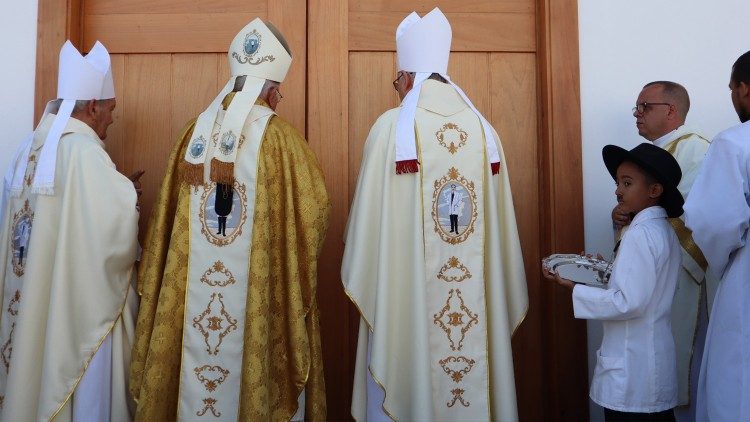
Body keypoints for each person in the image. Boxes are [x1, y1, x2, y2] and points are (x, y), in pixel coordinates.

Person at [129, 18, 330, 421]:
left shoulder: (192, 138)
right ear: (272, 91)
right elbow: (315, 215)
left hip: (191, 311)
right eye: (279, 93)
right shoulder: (284, 143)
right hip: (257, 310)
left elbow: (161, 229)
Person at [342, 8, 527, 421]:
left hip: (405, 304)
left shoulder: (392, 129)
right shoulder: (485, 134)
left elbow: (365, 232)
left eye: (397, 83)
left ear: (406, 78)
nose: (397, 90)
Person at [0, 40, 140, 421]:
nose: (112, 118)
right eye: (111, 110)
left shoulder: (27, 149)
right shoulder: (83, 152)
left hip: (28, 301)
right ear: (93, 106)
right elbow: (111, 233)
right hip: (70, 308)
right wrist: (131, 198)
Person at [547, 143, 684, 421]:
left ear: (654, 191)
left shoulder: (639, 234)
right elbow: (642, 287)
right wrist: (599, 273)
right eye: (618, 182)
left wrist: (576, 288)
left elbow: (627, 303)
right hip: (647, 366)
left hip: (632, 374)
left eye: (627, 182)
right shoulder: (662, 231)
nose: (618, 190)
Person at [613, 81, 712, 419]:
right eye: (636, 108)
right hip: (652, 275)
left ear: (670, 111)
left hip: (681, 278)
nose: (637, 115)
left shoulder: (696, 151)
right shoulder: (651, 155)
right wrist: (623, 219)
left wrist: (637, 216)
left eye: (645, 107)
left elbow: (698, 220)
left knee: (680, 367)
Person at [683, 50, 750, 422]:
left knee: (739, 383)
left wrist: (728, 264)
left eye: (731, 88)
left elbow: (712, 220)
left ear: (743, 88)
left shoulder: (735, 142)